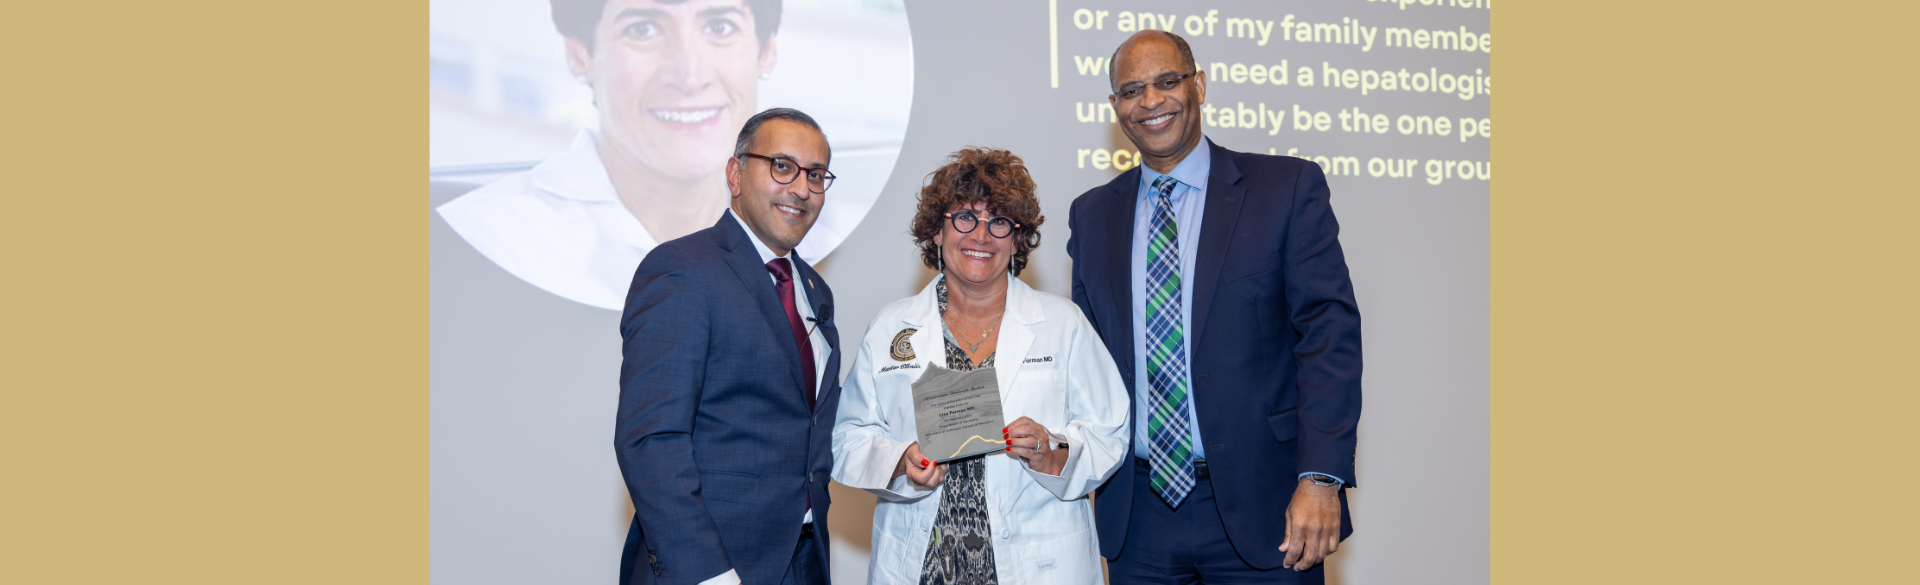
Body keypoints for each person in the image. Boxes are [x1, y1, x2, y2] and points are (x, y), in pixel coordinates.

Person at [1066, 31, 1364, 583]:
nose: (1150, 101)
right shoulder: (1091, 217)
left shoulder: (1285, 188)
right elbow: (1083, 361)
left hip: (1270, 509)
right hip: (1138, 518)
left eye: (1167, 82)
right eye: (1132, 90)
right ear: (1115, 108)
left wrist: (1321, 477)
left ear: (1198, 85)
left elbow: (1328, 336)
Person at [833, 148, 1129, 585]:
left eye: (999, 222)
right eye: (964, 218)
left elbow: (1110, 432)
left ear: (1016, 238)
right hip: (923, 567)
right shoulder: (891, 327)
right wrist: (901, 460)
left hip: (1038, 564)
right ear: (937, 230)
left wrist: (1053, 452)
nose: (981, 236)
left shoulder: (1062, 324)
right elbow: (848, 439)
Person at [437, 0, 788, 310]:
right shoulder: (477, 246)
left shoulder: (816, 238)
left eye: (720, 26)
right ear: (580, 56)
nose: (689, 76)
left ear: (766, 50)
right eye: (642, 28)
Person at [616, 108, 840, 585]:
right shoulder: (681, 269)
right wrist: (708, 574)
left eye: (815, 175)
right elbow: (652, 440)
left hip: (802, 562)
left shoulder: (815, 290)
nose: (801, 188)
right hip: (711, 566)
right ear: (735, 174)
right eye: (782, 166)